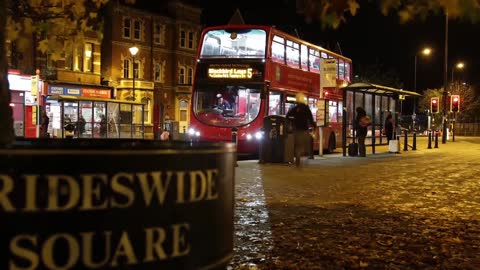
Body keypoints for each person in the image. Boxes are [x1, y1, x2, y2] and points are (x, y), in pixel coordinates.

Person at [286, 93, 316, 167]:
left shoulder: (295, 108)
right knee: (306, 143)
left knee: (298, 146)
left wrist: (292, 122)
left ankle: (298, 159)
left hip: (296, 130)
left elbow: (288, 116)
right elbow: (310, 118)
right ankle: (307, 155)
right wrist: (314, 125)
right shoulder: (306, 108)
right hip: (304, 129)